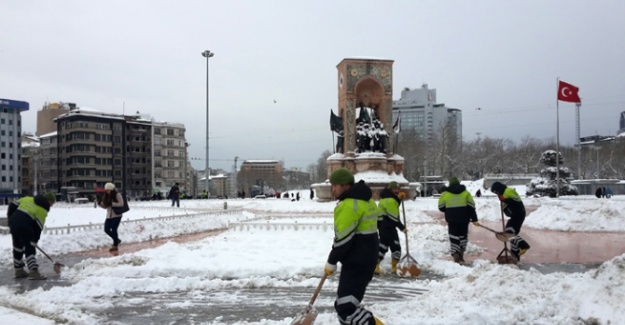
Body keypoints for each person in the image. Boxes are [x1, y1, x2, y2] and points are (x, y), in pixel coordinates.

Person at [324, 168, 384, 325]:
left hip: (357, 262)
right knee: (344, 305)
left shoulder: (349, 205)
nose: (333, 189)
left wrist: (331, 262)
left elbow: (343, 240)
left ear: (345, 186)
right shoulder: (366, 200)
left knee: (346, 309)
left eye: (335, 185)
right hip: (365, 259)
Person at [7, 192, 56, 280]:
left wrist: (11, 219)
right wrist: (34, 241)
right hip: (25, 225)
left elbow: (12, 204)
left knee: (18, 246)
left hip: (14, 223)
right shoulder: (42, 210)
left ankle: (19, 270)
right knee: (30, 247)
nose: (52, 205)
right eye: (52, 203)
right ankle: (33, 272)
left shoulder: (28, 199)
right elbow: (38, 228)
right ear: (48, 201)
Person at [438, 177, 479, 264]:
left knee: (453, 236)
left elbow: (441, 207)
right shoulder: (466, 193)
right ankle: (461, 252)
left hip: (452, 219)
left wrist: (449, 210)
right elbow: (471, 207)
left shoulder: (445, 194)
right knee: (463, 236)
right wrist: (475, 219)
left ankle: (455, 253)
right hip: (464, 219)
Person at [490, 181, 531, 262]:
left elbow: (515, 201)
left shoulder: (508, 191)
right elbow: (507, 211)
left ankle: (523, 245)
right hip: (515, 215)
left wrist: (505, 200)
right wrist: (503, 204)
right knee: (512, 234)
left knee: (508, 233)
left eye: (496, 191)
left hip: (518, 214)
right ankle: (515, 256)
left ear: (499, 189)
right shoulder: (503, 194)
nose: (496, 194)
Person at [375, 181, 407, 274]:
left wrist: (399, 199)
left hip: (383, 226)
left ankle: (375, 265)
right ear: (391, 189)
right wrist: (402, 227)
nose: (397, 190)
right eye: (395, 189)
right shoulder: (390, 200)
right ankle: (394, 267)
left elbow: (393, 208)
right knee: (396, 246)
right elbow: (393, 217)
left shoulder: (386, 198)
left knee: (383, 246)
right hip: (388, 226)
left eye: (398, 189)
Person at [98, 182, 125, 251]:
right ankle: (117, 240)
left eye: (108, 190)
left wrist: (112, 203)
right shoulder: (106, 196)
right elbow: (105, 206)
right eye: (106, 190)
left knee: (114, 230)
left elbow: (121, 204)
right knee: (106, 229)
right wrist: (100, 203)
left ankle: (115, 245)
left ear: (111, 190)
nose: (107, 192)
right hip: (109, 216)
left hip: (117, 215)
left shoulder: (117, 195)